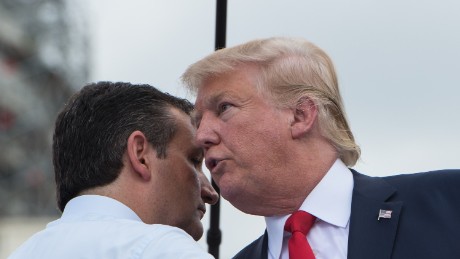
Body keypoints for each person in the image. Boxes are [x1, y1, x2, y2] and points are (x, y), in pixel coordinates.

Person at [181, 37, 460, 259]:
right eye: (198, 121)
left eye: (224, 108)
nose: (201, 136)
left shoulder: (449, 201)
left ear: (301, 115)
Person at [9, 81, 219, 259]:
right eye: (194, 160)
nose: (211, 193)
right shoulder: (163, 249)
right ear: (140, 154)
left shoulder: (21, 253)